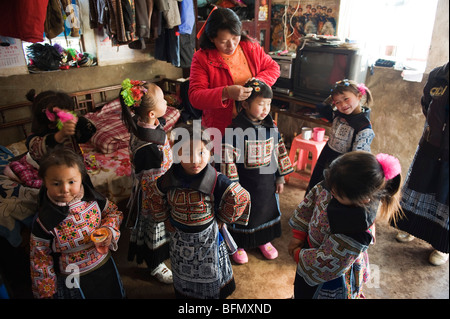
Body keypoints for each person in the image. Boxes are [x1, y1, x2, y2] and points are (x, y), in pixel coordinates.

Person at [145, 123, 251, 299]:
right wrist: (164, 218)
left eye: (201, 152)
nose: (195, 160)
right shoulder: (168, 179)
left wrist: (222, 219)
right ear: (177, 153)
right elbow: (153, 194)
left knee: (210, 272)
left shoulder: (216, 179)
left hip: (206, 240)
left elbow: (240, 196)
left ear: (209, 152)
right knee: (182, 270)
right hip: (180, 240)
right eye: (187, 153)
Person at [288, 151, 403, 299]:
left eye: (336, 192)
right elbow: (309, 205)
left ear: (362, 200)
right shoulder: (336, 182)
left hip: (330, 274)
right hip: (309, 251)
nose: (330, 191)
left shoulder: (357, 229)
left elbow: (330, 261)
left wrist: (299, 254)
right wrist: (299, 235)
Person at [29, 148, 125, 299]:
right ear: (44, 182)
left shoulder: (94, 200)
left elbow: (113, 212)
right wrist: (46, 292)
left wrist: (108, 230)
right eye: (56, 183)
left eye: (71, 182)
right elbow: (40, 258)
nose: (65, 189)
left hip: (103, 264)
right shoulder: (44, 221)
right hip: (71, 275)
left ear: (82, 178)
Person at [220, 79, 293, 264]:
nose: (266, 108)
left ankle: (263, 239)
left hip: (266, 182)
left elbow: (278, 151)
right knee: (243, 212)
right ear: (245, 104)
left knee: (264, 209)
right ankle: (239, 243)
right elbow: (228, 158)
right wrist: (233, 186)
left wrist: (280, 178)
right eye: (261, 104)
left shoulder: (272, 126)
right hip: (244, 182)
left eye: (269, 104)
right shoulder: (234, 129)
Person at [189, 7, 280, 137]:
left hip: (253, 125)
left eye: (235, 38)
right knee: (223, 157)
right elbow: (195, 97)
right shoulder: (202, 58)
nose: (231, 46)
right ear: (211, 38)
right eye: (223, 41)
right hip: (220, 128)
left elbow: (273, 67)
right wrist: (226, 93)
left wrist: (260, 81)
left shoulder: (250, 47)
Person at [120, 78, 174, 284]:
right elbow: (153, 184)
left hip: (157, 184)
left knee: (160, 229)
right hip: (153, 194)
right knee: (155, 227)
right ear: (151, 113)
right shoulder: (149, 148)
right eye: (162, 99)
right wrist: (163, 198)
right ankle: (155, 265)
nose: (167, 102)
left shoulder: (145, 125)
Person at [394, 62, 449, 266]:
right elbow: (426, 103)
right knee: (418, 185)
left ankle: (442, 246)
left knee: (446, 197)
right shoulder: (438, 74)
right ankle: (411, 228)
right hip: (431, 144)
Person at [307, 79, 375, 193]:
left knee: (331, 192)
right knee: (316, 185)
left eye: (346, 99)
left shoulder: (363, 126)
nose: (342, 105)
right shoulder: (338, 115)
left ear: (359, 96)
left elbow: (357, 157)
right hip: (326, 156)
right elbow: (321, 107)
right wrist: (331, 97)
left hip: (343, 165)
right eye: (337, 102)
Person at [26, 89, 97, 161]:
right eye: (61, 113)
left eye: (69, 111)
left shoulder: (70, 128)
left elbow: (89, 132)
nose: (67, 115)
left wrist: (78, 120)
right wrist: (61, 135)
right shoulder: (34, 138)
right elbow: (38, 152)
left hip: (76, 167)